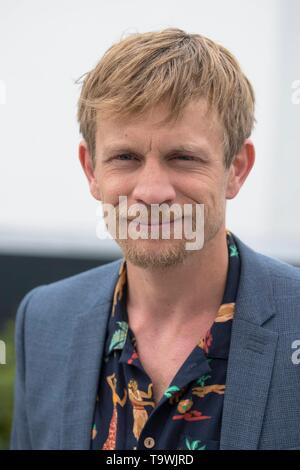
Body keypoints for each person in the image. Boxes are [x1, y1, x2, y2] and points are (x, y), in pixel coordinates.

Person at [11, 28, 300, 450]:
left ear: (236, 168)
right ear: (91, 169)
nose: (151, 191)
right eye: (125, 157)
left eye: (182, 157)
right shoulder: (44, 321)